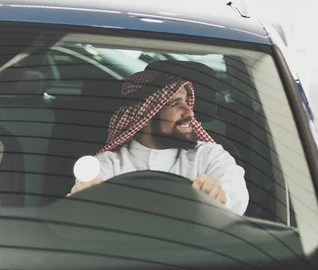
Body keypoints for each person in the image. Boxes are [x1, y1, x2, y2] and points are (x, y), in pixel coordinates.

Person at [70, 69, 249, 215]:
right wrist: (84, 202)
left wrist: (219, 197)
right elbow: (78, 207)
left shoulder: (209, 155)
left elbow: (235, 195)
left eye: (187, 102)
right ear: (144, 115)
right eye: (176, 104)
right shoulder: (107, 164)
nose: (190, 113)